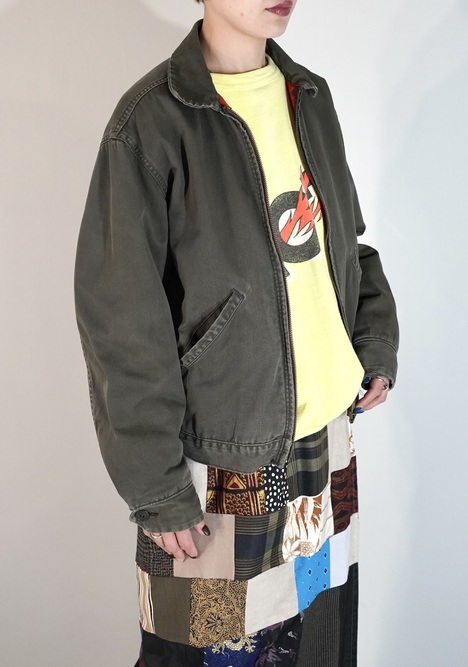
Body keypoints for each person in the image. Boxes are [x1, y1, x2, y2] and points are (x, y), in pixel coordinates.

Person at [74, 1, 399, 665]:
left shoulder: (309, 96)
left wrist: (372, 343)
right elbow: (120, 319)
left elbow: (345, 247)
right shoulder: (152, 123)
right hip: (224, 464)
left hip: (328, 447)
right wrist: (156, 486)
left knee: (319, 644)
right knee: (209, 652)